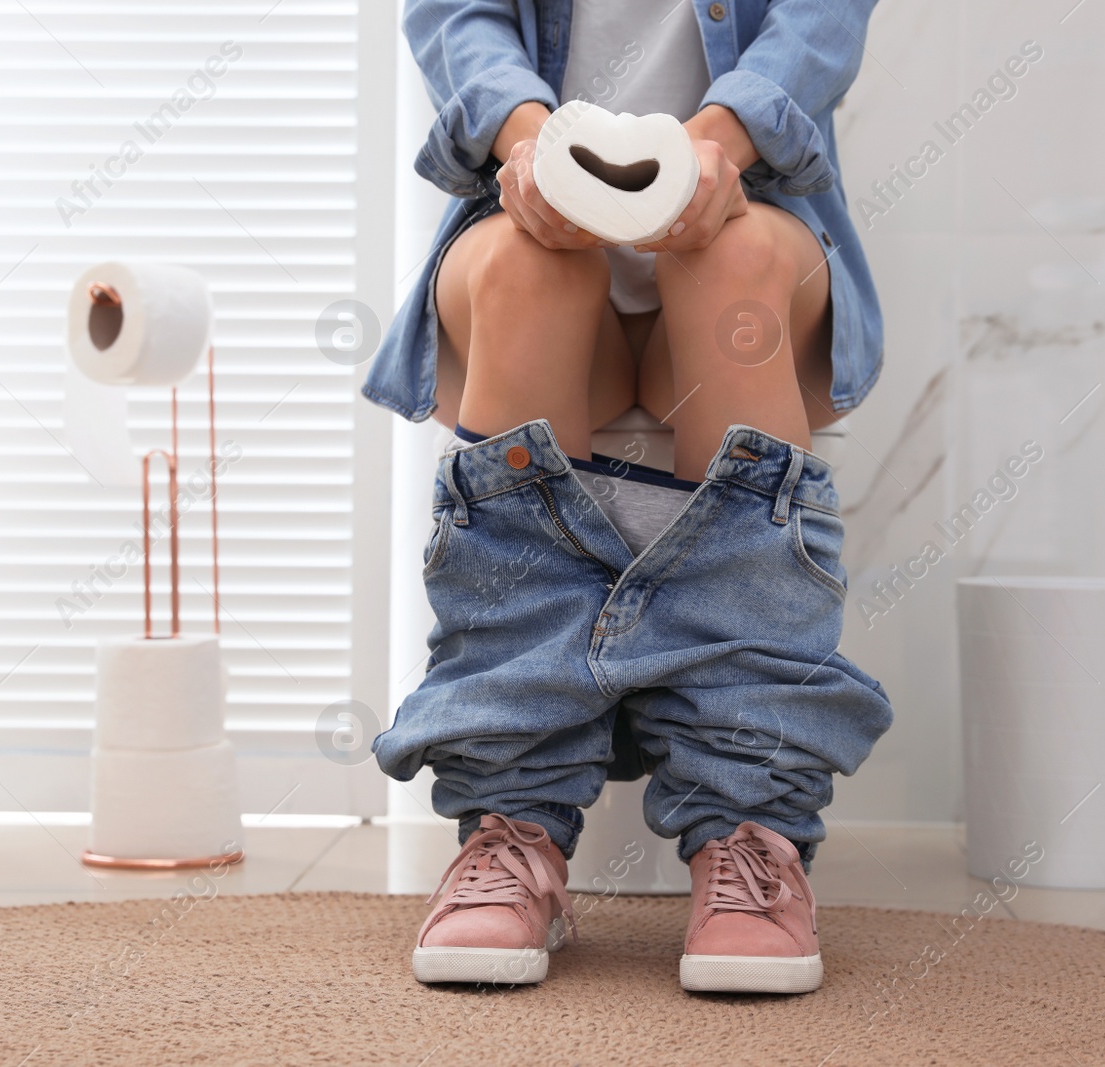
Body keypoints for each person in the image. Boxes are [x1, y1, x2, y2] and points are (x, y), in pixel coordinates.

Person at [364, 0, 894, 994]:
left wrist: (720, 142)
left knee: (729, 261)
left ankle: (751, 832)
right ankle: (509, 825)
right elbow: (454, 17)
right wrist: (525, 141)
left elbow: (819, 23)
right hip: (535, 213)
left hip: (749, 208)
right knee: (526, 266)